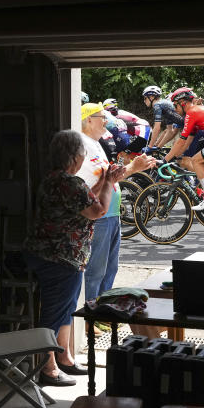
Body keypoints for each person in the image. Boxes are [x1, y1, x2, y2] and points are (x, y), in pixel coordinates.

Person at [23, 130, 123, 386]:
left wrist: (106, 181)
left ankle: (64, 357)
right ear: (74, 157)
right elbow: (97, 211)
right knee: (55, 312)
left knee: (66, 309)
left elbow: (85, 199)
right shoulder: (70, 183)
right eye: (82, 153)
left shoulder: (54, 180)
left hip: (50, 254)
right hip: (61, 258)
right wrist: (110, 184)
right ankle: (48, 368)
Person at [78, 103, 155, 306]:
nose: (106, 121)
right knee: (96, 270)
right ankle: (90, 316)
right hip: (100, 216)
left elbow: (110, 176)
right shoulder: (83, 144)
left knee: (110, 268)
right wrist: (133, 167)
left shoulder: (96, 143)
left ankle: (105, 310)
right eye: (102, 117)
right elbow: (103, 179)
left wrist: (136, 166)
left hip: (111, 214)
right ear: (88, 120)